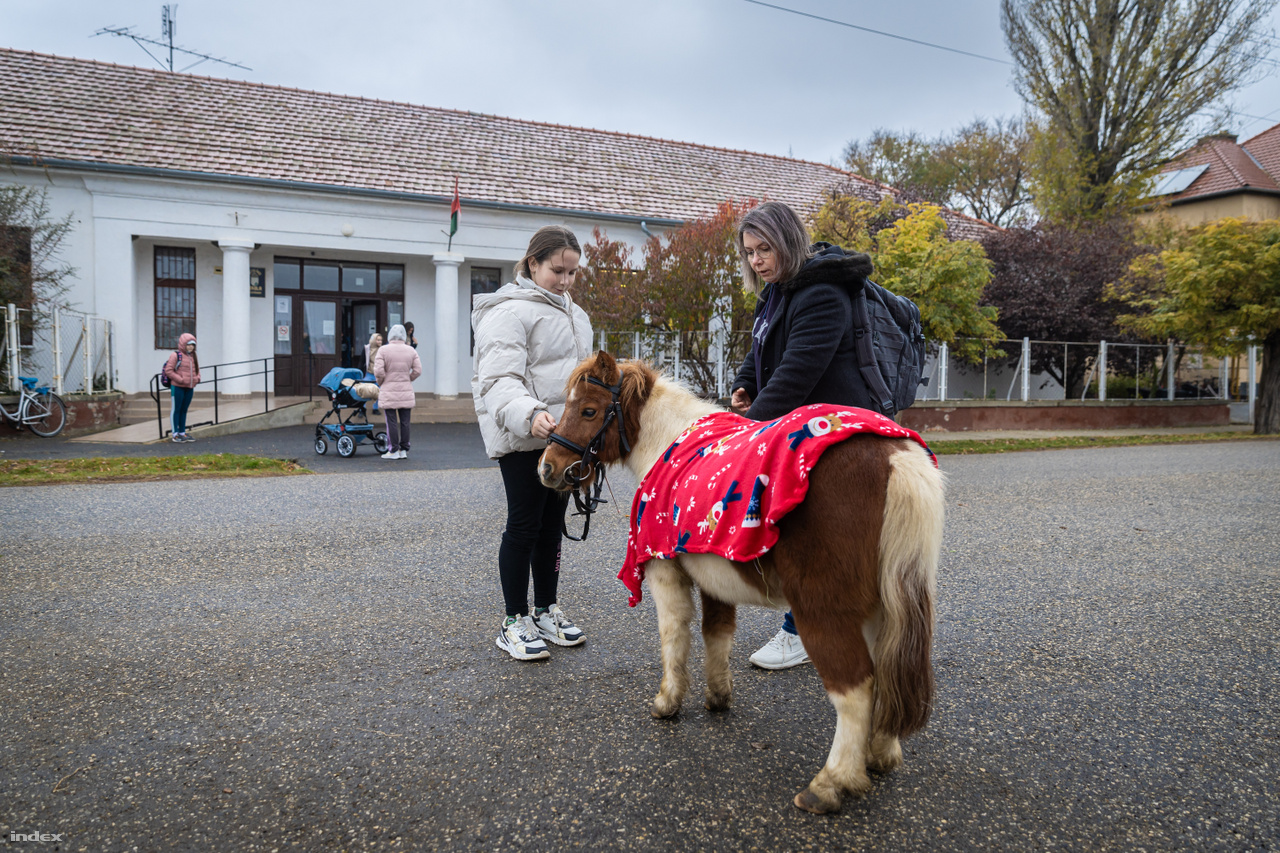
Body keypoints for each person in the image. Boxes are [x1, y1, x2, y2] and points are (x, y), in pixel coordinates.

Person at [728, 201, 877, 670]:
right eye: (750, 252)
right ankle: (816, 625)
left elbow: (797, 373)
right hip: (801, 426)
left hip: (837, 431)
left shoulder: (822, 293)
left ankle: (801, 631)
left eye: (764, 249)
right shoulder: (775, 292)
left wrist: (745, 433)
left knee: (806, 531)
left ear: (788, 242)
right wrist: (744, 384)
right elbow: (761, 350)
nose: (756, 261)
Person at [472, 225, 593, 661]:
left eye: (573, 273)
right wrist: (530, 414)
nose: (565, 281)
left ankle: (545, 610)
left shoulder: (576, 315)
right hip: (524, 435)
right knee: (523, 525)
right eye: (557, 270)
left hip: (563, 440)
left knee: (551, 528)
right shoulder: (507, 312)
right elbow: (498, 379)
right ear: (533, 263)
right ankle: (512, 621)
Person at [373, 324, 421, 460]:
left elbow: (378, 371)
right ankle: (404, 450)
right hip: (406, 389)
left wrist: (381, 382)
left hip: (389, 390)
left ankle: (393, 450)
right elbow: (418, 370)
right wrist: (408, 379)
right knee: (405, 421)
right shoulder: (411, 350)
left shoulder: (383, 350)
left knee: (391, 421)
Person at [163, 333, 201, 443]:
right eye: (188, 344)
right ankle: (175, 434)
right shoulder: (176, 355)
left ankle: (182, 432)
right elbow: (169, 370)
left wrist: (197, 378)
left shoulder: (193, 356)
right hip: (178, 387)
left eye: (193, 345)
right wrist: (180, 380)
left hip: (189, 387)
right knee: (176, 409)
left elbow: (197, 370)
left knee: (184, 410)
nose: (191, 347)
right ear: (183, 344)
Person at [364, 332, 383, 414]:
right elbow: (362, 361)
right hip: (369, 373)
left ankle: (375, 408)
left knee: (379, 391)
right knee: (364, 390)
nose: (380, 342)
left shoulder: (383, 350)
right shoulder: (367, 349)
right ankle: (362, 408)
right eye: (378, 340)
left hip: (378, 375)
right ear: (374, 340)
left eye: (381, 340)